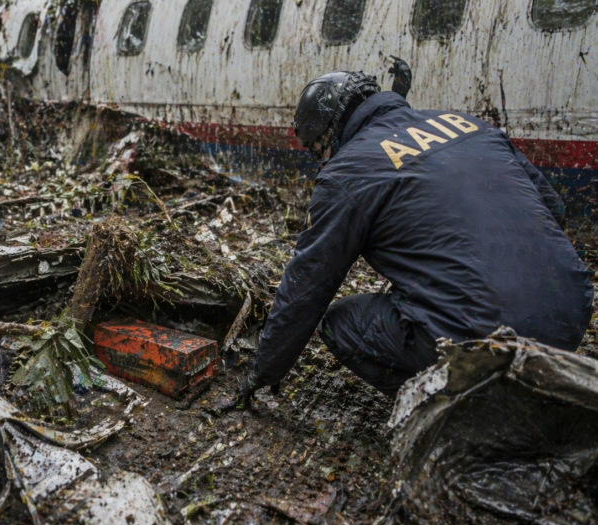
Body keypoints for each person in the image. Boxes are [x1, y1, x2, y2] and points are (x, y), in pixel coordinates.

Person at [236, 66, 594, 402]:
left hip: (483, 341)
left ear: (330, 132)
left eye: (318, 149)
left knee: (337, 323)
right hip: (570, 316)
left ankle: (463, 408)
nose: (321, 160)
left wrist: (264, 371)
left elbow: (308, 285)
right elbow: (553, 208)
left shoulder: (348, 171)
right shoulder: (465, 123)